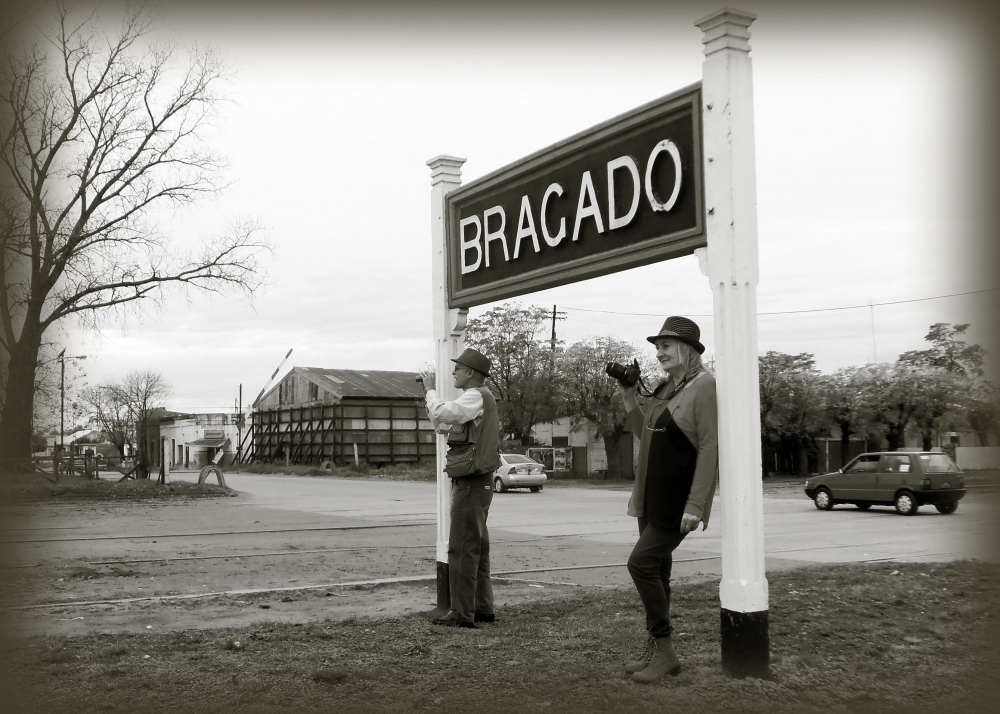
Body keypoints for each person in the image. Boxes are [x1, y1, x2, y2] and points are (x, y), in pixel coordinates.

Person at [617, 316, 719, 682]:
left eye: (665, 346)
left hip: (678, 497)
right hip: (652, 493)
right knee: (658, 571)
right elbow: (645, 434)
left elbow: (709, 445)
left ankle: (666, 652)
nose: (658, 352)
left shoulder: (704, 385)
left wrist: (696, 505)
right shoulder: (665, 388)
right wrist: (629, 395)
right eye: (656, 347)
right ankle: (655, 652)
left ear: (686, 350)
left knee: (641, 564)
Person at [420, 347, 501, 629]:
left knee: (462, 548)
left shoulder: (476, 395)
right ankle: (481, 608)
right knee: (477, 546)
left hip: (471, 482)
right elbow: (443, 423)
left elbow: (444, 411)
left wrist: (430, 391)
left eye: (458, 368)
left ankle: (461, 613)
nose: (454, 373)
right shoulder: (478, 400)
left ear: (470, 373)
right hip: (479, 480)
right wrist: (430, 403)